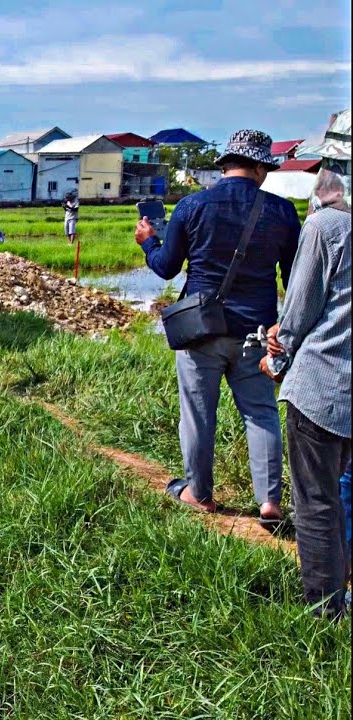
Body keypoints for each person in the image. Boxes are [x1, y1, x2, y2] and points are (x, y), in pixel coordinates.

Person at [134, 129, 300, 525]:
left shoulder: (192, 206)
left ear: (225, 164)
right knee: (260, 413)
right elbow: (294, 280)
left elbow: (167, 267)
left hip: (201, 330)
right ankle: (270, 503)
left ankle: (199, 494)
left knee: (198, 414)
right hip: (257, 334)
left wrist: (147, 242)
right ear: (260, 167)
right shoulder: (282, 212)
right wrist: (286, 329)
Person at [260, 121, 351, 618]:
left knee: (316, 502)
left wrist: (278, 352)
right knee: (340, 494)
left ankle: (324, 610)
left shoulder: (325, 227)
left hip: (323, 387)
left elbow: (298, 311)